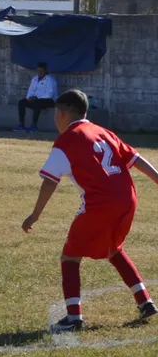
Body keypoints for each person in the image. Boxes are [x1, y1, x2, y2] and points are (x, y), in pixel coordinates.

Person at [22, 89, 158, 332]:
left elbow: (50, 181)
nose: (55, 120)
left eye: (56, 114)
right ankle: (145, 301)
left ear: (63, 112)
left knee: (70, 256)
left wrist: (35, 214)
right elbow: (136, 159)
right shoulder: (103, 132)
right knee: (113, 250)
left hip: (100, 204)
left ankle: (74, 318)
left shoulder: (67, 140)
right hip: (128, 199)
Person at [15, 62, 58, 132]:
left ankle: (34, 125)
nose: (40, 72)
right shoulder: (35, 79)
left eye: (42, 70)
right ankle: (21, 125)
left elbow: (49, 94)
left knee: (37, 102)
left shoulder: (50, 80)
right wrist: (29, 98)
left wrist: (36, 98)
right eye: (38, 70)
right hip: (35, 100)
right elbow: (30, 91)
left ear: (46, 70)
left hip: (49, 101)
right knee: (22, 102)